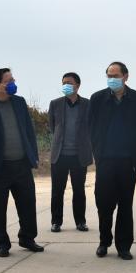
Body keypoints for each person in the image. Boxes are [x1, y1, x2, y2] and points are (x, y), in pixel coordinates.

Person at [0, 68, 43, 257]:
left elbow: (29, 131)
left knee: (28, 204)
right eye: (8, 81)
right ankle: (2, 244)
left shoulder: (19, 102)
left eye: (13, 79)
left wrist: (33, 156)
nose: (13, 83)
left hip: (22, 164)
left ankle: (27, 238)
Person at [88, 61, 136, 260]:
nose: (112, 79)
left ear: (125, 76)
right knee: (104, 203)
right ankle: (104, 241)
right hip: (105, 160)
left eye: (115, 76)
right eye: (109, 76)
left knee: (125, 204)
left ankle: (124, 246)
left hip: (128, 161)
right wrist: (98, 153)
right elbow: (91, 127)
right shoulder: (97, 99)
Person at [48, 72, 92, 233]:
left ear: (77, 85)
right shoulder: (55, 104)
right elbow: (52, 126)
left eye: (69, 82)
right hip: (59, 155)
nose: (65, 85)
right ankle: (56, 222)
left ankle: (80, 221)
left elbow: (91, 126)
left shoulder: (88, 104)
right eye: (63, 83)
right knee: (57, 191)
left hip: (79, 155)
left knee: (79, 190)